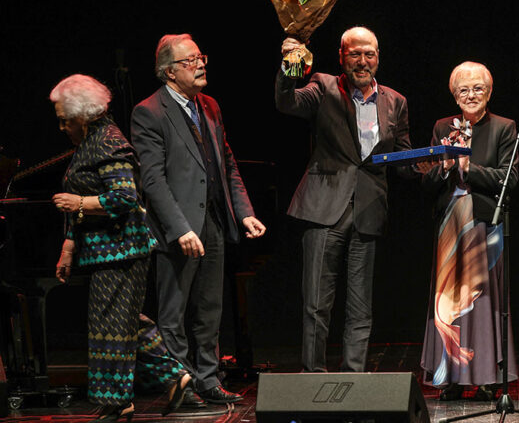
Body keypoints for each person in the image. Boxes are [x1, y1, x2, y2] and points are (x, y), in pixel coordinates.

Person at [131, 34, 266, 405]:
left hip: (214, 224)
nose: (201, 64)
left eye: (201, 57)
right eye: (191, 60)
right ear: (169, 72)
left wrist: (245, 212)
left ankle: (208, 378)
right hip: (179, 229)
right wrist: (180, 229)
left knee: (209, 310)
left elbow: (228, 163)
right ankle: (181, 385)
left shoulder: (209, 105)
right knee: (174, 313)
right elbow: (153, 180)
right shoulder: (149, 112)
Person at [50, 74, 192, 422]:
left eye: (64, 118)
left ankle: (117, 401)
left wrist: (79, 202)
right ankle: (174, 377)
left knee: (110, 325)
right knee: (123, 320)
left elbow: (125, 197)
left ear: (82, 114)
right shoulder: (91, 141)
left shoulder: (108, 141)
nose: (61, 127)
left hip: (122, 251)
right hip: (105, 250)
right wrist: (69, 245)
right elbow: (80, 201)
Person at [277, 27, 414, 372]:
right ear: (342, 57)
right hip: (326, 209)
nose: (362, 61)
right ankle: (314, 378)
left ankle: (353, 379)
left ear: (378, 57)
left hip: (368, 211)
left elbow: (404, 158)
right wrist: (291, 63)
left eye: (369, 54)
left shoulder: (395, 101)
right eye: (355, 54)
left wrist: (439, 162)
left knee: (360, 306)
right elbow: (287, 101)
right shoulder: (324, 86)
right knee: (316, 304)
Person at [419, 62, 519, 401]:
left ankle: (488, 376)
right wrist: (446, 167)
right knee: (448, 304)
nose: (471, 95)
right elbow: (427, 181)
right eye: (464, 90)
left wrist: (468, 167)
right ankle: (450, 378)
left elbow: (509, 179)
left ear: (489, 93)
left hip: (483, 226)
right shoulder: (441, 126)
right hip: (450, 224)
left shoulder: (504, 127)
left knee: (482, 304)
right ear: (454, 95)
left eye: (478, 88)